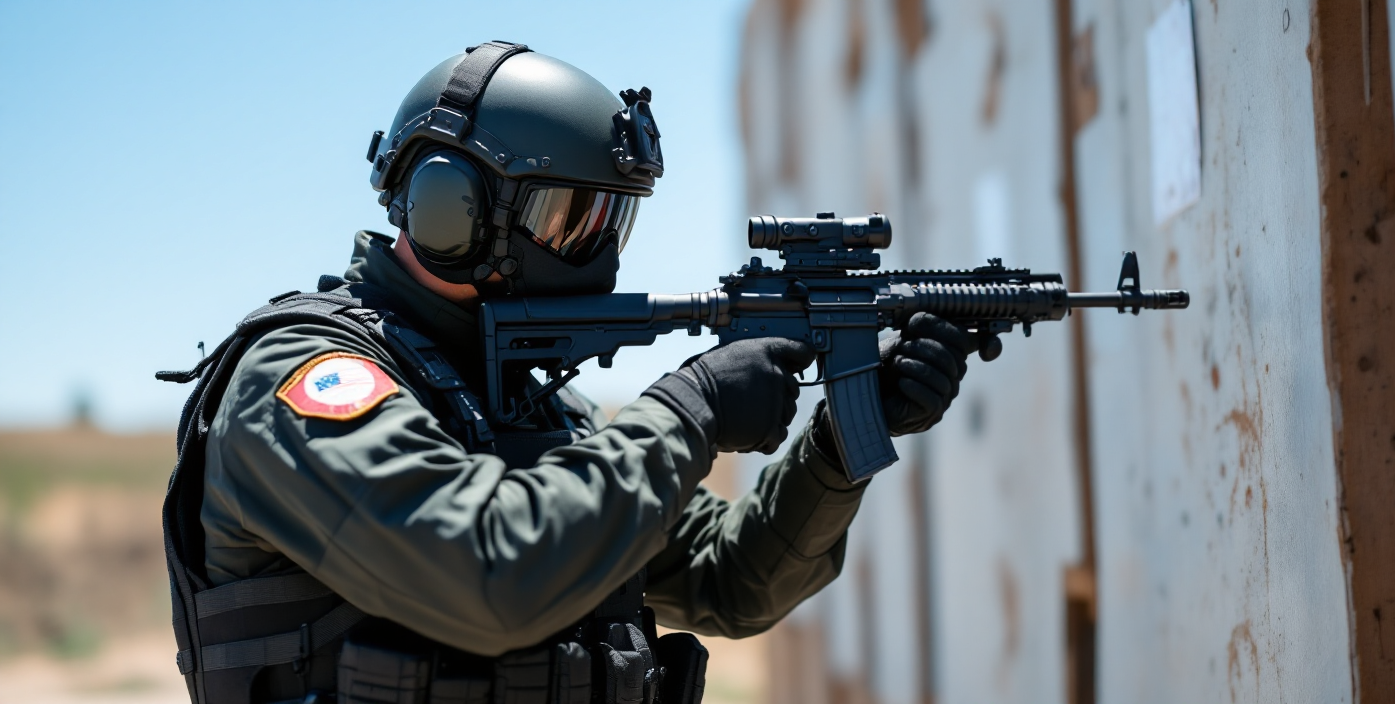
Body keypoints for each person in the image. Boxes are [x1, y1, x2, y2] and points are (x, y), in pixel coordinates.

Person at [158, 41, 977, 704]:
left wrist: (835, 444)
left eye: (612, 220)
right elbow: (488, 571)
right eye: (572, 218)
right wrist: (690, 410)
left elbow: (730, 582)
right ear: (455, 211)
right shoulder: (302, 377)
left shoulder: (532, 406)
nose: (601, 252)